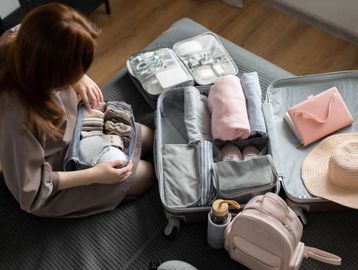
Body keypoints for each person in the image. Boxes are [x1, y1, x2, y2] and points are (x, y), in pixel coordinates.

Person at [0, 3, 154, 217]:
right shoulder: (17, 119)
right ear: (53, 75)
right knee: (146, 176)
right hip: (48, 176)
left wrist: (81, 78)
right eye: (73, 73)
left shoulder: (23, 38)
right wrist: (94, 175)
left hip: (68, 127)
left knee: (149, 136)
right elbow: (32, 188)